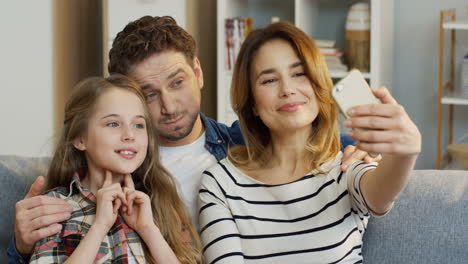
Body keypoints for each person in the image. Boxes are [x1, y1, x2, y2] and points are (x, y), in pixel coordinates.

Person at [8, 16, 377, 263]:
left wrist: (353, 147)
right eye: (148, 94)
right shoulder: (111, 170)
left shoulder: (242, 148)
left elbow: (312, 141)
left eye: (177, 82)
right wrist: (20, 245)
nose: (168, 106)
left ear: (198, 72)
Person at [198, 21, 421, 263]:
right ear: (252, 103)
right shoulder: (220, 184)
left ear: (317, 83)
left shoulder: (345, 167)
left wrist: (406, 153)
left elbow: (380, 196)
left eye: (299, 73)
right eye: (269, 80)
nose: (288, 89)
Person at [28, 75, 201, 263]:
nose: (129, 135)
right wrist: (99, 226)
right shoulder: (54, 208)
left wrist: (149, 230)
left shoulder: (160, 203)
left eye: (138, 125)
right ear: (80, 139)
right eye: (113, 124)